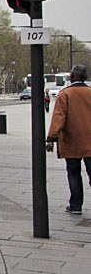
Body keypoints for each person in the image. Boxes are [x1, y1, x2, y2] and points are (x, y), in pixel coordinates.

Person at [46, 64, 91, 214]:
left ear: (71, 77)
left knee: (73, 173)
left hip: (71, 141)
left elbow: (59, 118)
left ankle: (76, 205)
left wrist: (51, 138)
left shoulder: (65, 94)